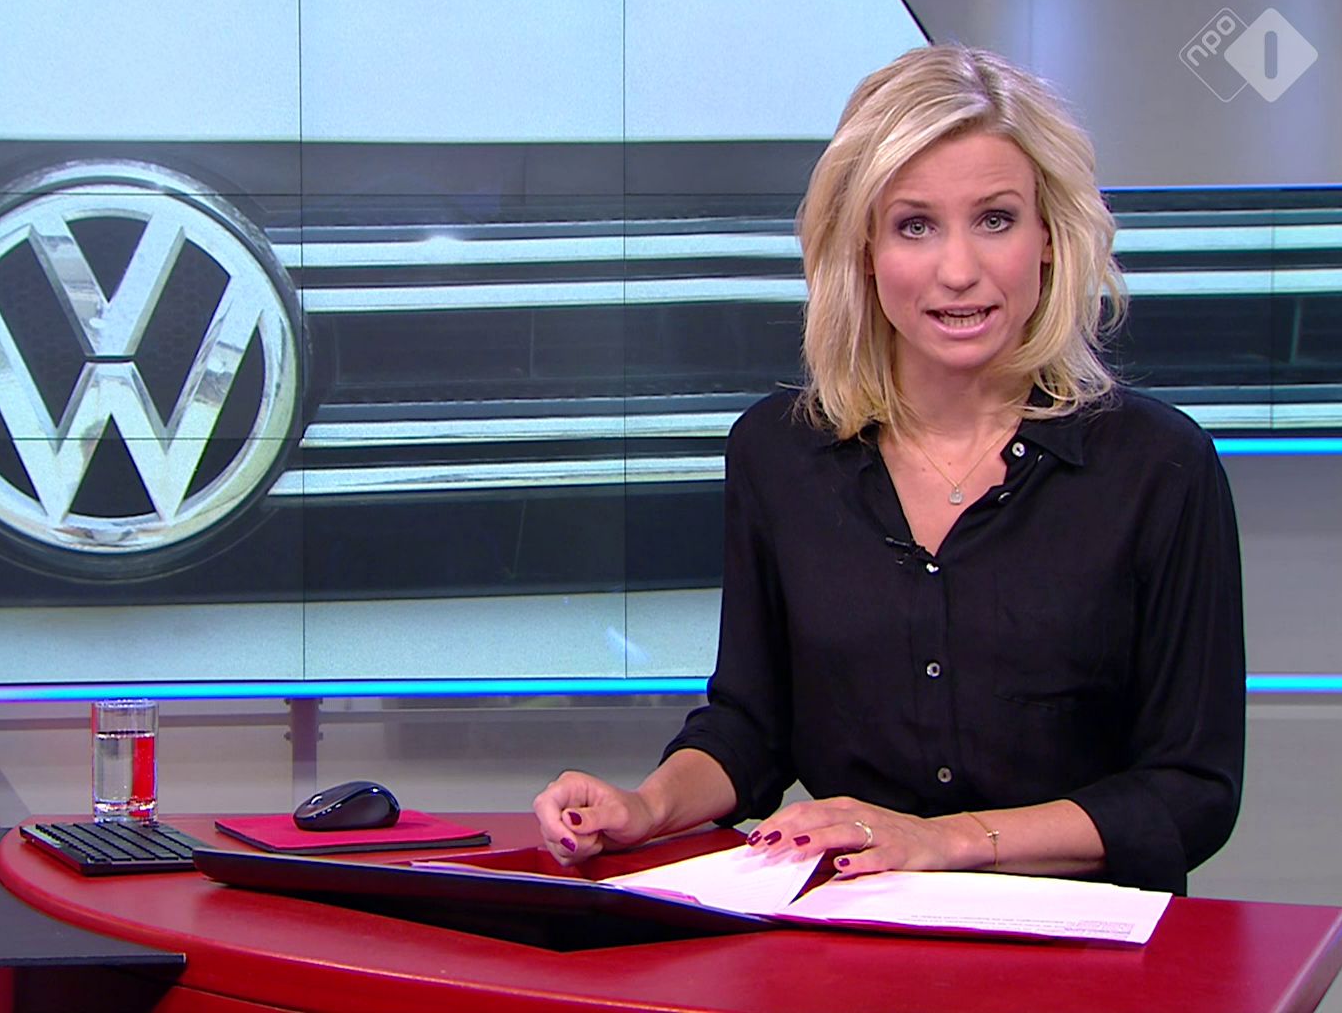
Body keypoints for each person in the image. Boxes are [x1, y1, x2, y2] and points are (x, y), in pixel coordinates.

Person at [532, 45, 1244, 897]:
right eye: (915, 225)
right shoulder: (777, 454)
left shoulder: (1159, 467)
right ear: (864, 248)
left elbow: (1190, 792)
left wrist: (947, 841)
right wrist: (646, 806)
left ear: (1050, 238)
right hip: (851, 928)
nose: (958, 271)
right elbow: (752, 727)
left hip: (1078, 942)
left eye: (995, 220)